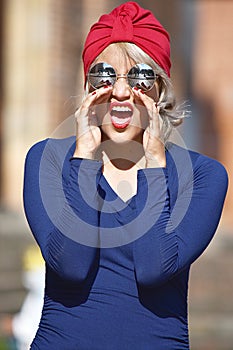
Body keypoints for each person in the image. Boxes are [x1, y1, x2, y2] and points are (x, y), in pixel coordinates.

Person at [23, 2, 228, 349]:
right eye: (105, 76)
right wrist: (84, 161)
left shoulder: (202, 176)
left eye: (140, 78)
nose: (121, 92)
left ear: (160, 89)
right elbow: (71, 264)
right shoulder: (49, 160)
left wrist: (154, 167)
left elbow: (154, 268)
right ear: (89, 87)